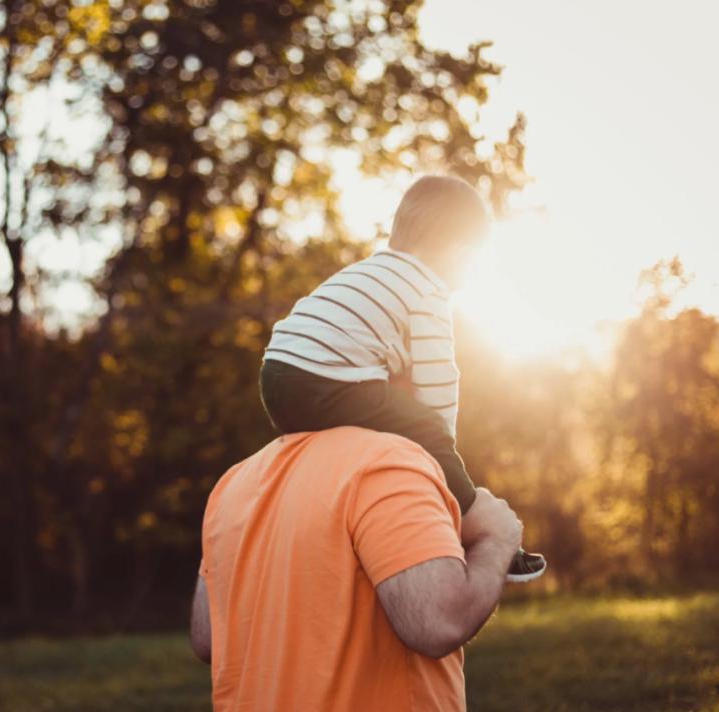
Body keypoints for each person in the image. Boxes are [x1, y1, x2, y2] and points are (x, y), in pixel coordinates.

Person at [259, 175, 545, 581]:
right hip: (323, 380)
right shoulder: (427, 288)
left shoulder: (371, 271)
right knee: (422, 425)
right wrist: (439, 446)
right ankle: (478, 529)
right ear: (462, 254)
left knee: (387, 419)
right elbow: (438, 379)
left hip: (277, 376)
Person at [191, 427, 523, 710]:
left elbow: (207, 636)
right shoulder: (385, 462)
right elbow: (438, 622)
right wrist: (498, 538)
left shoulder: (234, 482)